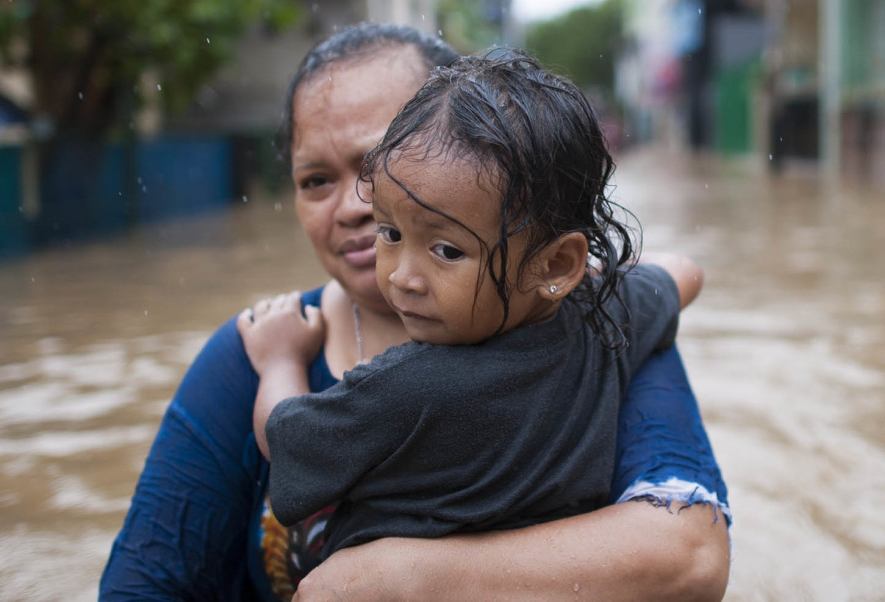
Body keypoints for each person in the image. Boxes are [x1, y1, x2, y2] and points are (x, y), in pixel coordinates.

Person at [100, 23, 731, 601]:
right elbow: (145, 586)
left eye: (374, 167)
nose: (354, 205)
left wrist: (408, 575)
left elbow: (692, 555)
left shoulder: (306, 358)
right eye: (315, 179)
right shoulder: (603, 315)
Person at [240, 48, 702, 568]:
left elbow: (284, 443)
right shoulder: (608, 320)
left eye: (447, 251)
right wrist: (594, 277)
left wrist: (279, 360)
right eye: (390, 232)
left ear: (555, 263)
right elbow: (684, 272)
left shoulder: (407, 389)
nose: (401, 276)